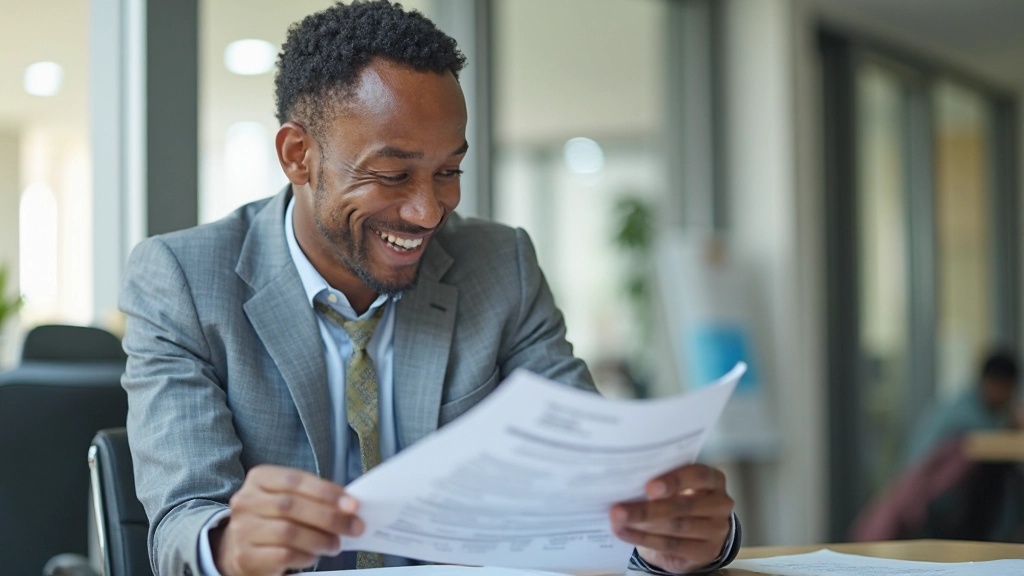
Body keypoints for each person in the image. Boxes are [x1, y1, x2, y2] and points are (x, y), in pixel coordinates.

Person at [119, 2, 740, 575]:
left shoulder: (500, 265)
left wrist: (674, 537)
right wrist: (228, 544)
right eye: (393, 175)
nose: (426, 212)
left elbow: (597, 483)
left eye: (448, 172)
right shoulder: (183, 280)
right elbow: (182, 522)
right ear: (297, 154)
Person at [906, 352, 1020, 466]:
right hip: (927, 478)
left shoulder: (966, 401)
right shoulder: (968, 411)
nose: (1008, 396)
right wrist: (1014, 424)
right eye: (1006, 389)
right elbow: (994, 444)